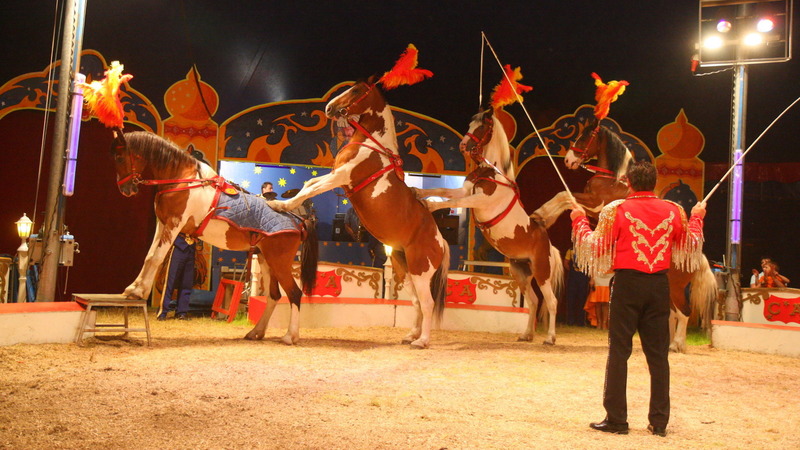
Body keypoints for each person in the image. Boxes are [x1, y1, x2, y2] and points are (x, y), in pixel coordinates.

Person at [570, 161, 706, 437]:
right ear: (654, 183)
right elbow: (691, 244)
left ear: (629, 183)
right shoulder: (674, 210)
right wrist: (697, 216)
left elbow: (592, 246)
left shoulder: (616, 209)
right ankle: (659, 422)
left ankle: (617, 419)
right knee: (658, 357)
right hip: (658, 285)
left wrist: (578, 219)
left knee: (619, 352)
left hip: (628, 285)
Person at [157, 233, 196, 321]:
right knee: (170, 282)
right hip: (178, 247)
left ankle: (181, 312)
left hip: (191, 248)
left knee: (186, 282)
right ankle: (162, 312)